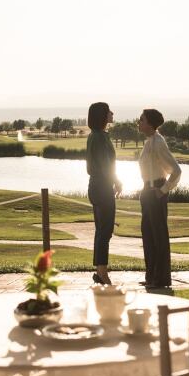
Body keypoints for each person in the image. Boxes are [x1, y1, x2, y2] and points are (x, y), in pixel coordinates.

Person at [137, 109, 181, 288]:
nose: (138, 122)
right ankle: (151, 277)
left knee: (158, 237)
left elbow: (176, 170)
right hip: (147, 192)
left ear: (150, 123)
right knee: (148, 236)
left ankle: (161, 279)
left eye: (141, 120)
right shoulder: (149, 142)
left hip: (156, 193)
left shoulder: (158, 143)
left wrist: (162, 190)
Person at [86, 102, 122, 285]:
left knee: (101, 231)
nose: (112, 113)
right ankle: (102, 273)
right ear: (102, 115)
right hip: (102, 186)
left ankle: (100, 271)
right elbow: (105, 165)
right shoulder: (100, 137)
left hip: (96, 185)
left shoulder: (95, 136)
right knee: (105, 231)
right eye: (109, 111)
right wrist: (117, 181)